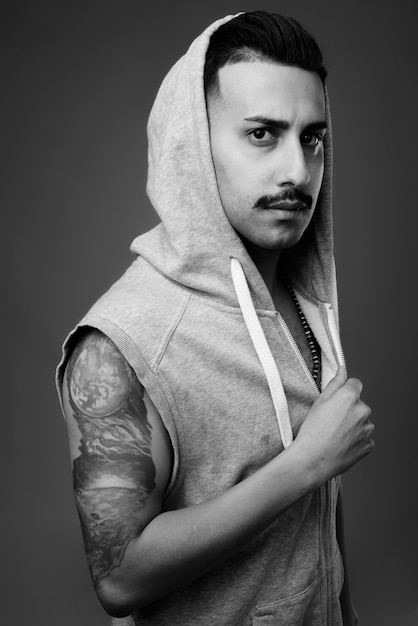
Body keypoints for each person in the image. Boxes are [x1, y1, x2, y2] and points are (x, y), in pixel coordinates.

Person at [56, 10, 374, 626]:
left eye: (312, 138)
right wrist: (306, 463)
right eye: (262, 134)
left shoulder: (305, 300)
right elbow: (119, 578)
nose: (296, 171)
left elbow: (318, 510)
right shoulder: (121, 344)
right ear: (193, 144)